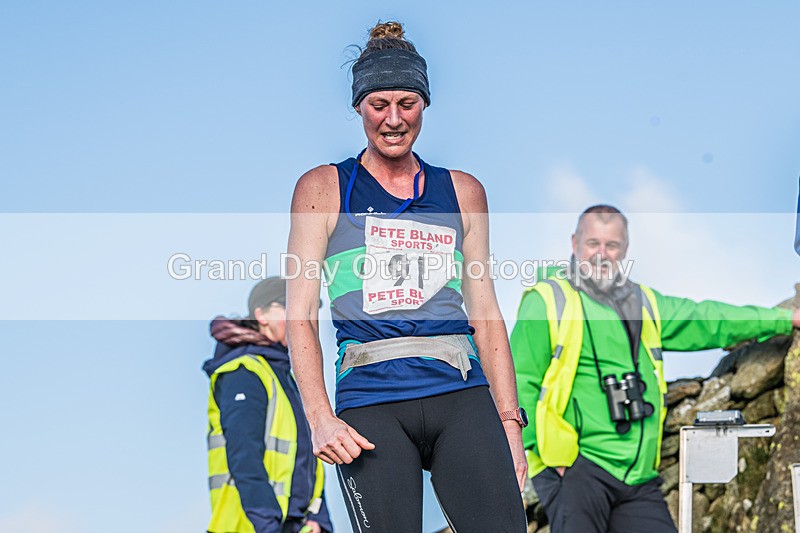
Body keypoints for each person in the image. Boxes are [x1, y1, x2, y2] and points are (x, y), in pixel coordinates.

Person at [286, 21, 527, 533]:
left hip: (460, 392)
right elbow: (300, 315)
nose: (393, 120)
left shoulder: (463, 193)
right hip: (370, 403)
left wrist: (509, 422)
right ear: (358, 107)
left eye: (407, 104)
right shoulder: (323, 188)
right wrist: (319, 418)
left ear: (424, 104)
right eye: (379, 105)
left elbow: (485, 313)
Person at [510, 204, 800, 533]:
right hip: (575, 467)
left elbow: (705, 319)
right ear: (575, 243)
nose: (601, 254)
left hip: (638, 476)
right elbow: (519, 380)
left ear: (625, 249)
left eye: (612, 245)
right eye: (593, 243)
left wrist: (784, 318)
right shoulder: (548, 300)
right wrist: (549, 459)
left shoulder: (644, 302)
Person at [203, 277, 333, 533]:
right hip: (251, 527)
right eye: (288, 307)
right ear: (261, 314)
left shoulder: (286, 377)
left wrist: (320, 521)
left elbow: (308, 458)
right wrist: (267, 526)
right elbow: (245, 456)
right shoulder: (243, 372)